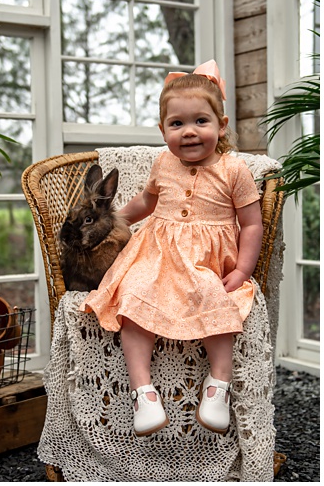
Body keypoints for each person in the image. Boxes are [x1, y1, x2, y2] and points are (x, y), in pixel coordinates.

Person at [83, 60, 263, 437]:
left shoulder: (235, 171)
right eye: (177, 124)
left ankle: (217, 388)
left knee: (216, 302)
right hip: (158, 255)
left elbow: (251, 224)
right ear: (163, 130)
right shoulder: (163, 162)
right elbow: (144, 204)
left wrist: (243, 270)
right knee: (132, 298)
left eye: (201, 121)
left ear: (222, 125)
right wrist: (114, 223)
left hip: (205, 262)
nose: (189, 132)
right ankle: (143, 393)